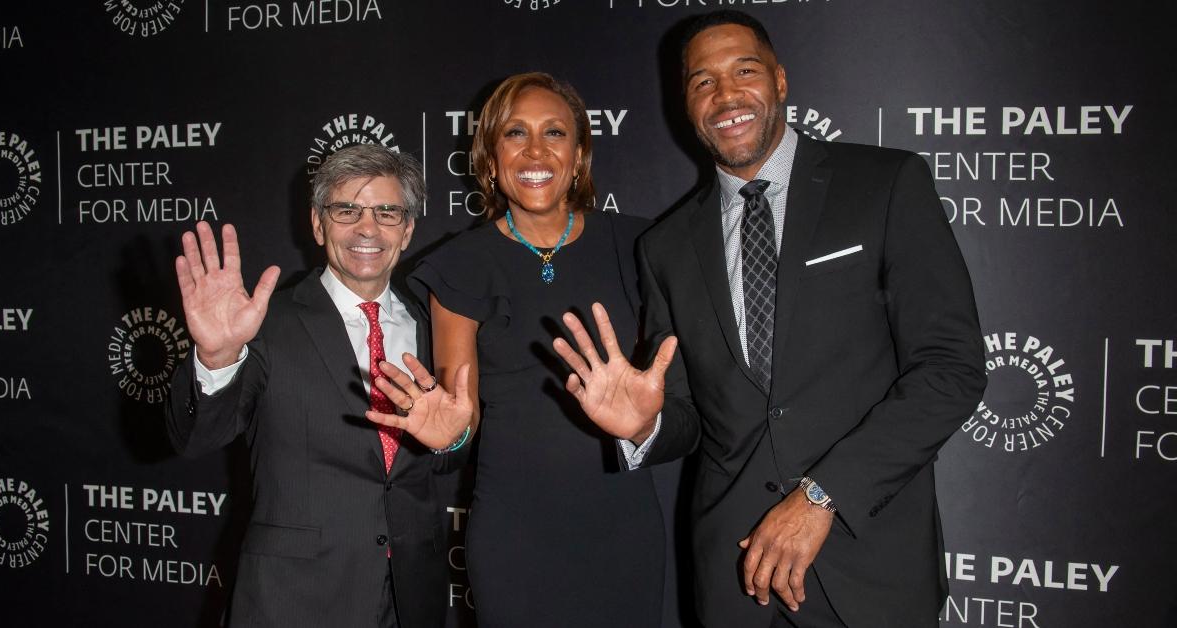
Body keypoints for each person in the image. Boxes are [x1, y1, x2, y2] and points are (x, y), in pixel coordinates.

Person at [552, 10, 987, 628]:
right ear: (685, 103)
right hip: (735, 580)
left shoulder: (885, 186)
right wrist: (644, 426)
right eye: (702, 82)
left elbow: (951, 369)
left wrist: (822, 496)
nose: (725, 95)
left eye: (744, 72)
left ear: (780, 81)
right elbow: (692, 414)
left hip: (870, 568)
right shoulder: (668, 245)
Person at [365, 72, 667, 627]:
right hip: (515, 531)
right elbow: (463, 412)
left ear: (578, 155)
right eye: (514, 134)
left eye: (554, 133)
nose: (534, 150)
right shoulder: (461, 265)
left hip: (625, 522)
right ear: (490, 158)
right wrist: (448, 433)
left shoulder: (641, 246)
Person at [165, 145, 460, 628]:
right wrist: (216, 357)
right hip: (293, 601)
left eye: (387, 212)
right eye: (347, 210)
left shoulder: (434, 325)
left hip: (411, 600)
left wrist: (455, 437)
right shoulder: (265, 322)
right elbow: (196, 436)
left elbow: (449, 453)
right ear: (318, 224)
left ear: (407, 229)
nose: (368, 228)